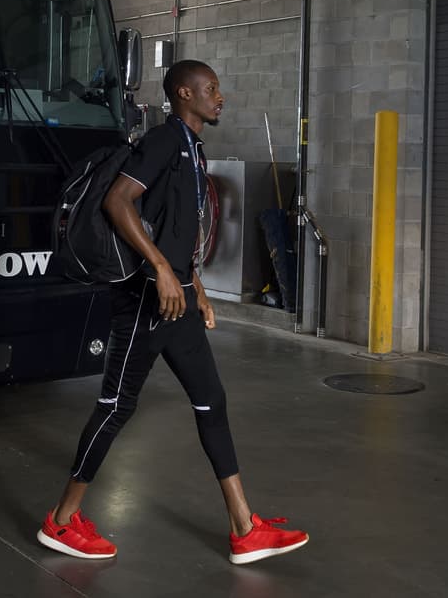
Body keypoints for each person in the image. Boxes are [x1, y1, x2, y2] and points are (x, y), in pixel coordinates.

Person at [36, 60, 309, 565]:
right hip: (146, 298)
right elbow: (120, 203)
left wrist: (196, 285)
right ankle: (61, 520)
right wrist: (161, 268)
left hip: (178, 299)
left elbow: (174, 227)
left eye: (219, 89)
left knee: (212, 401)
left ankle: (244, 527)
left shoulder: (193, 147)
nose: (219, 97)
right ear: (184, 94)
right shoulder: (164, 141)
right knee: (116, 407)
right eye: (211, 90)